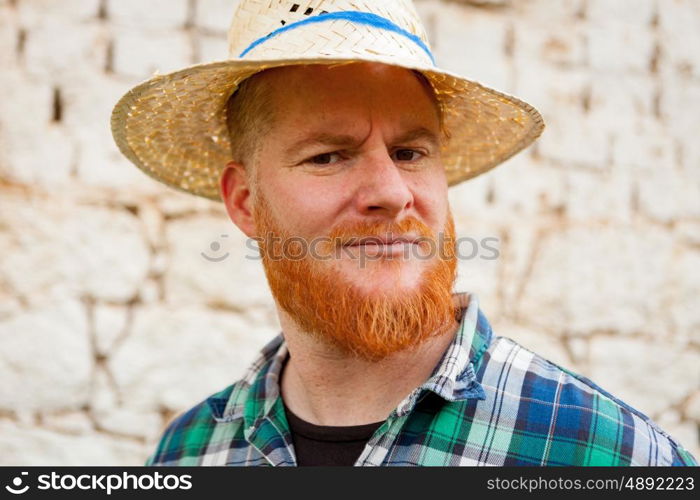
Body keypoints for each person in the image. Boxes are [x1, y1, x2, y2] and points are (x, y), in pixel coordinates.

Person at [111, 0, 697, 466]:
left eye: (410, 151)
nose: (391, 192)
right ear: (244, 201)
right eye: (328, 156)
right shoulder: (190, 453)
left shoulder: (603, 454)